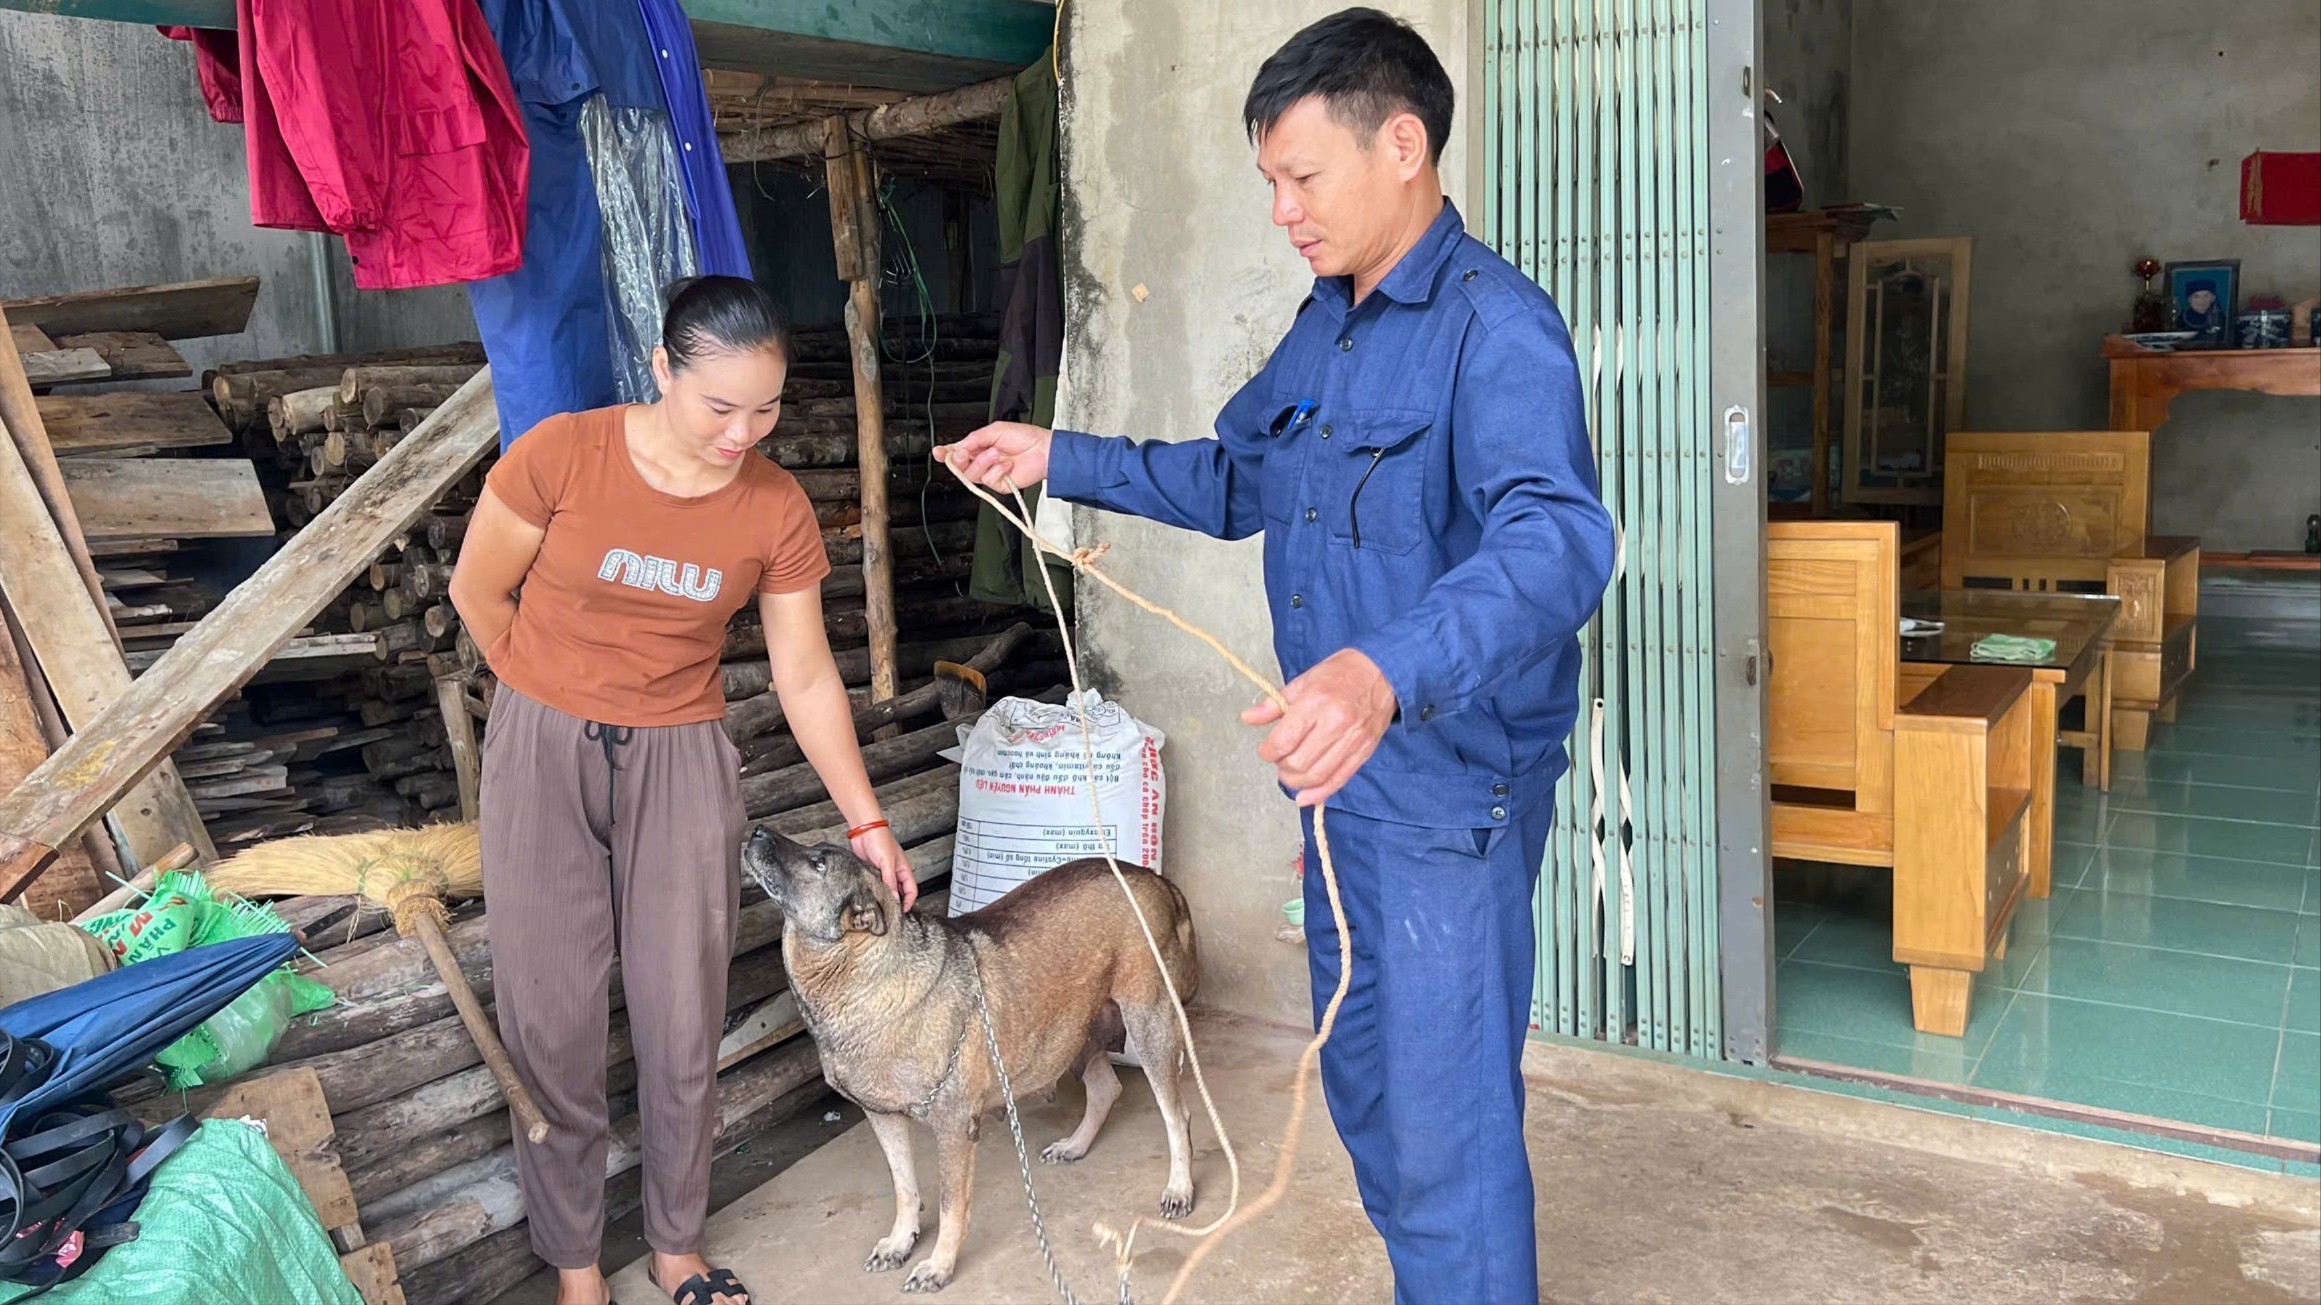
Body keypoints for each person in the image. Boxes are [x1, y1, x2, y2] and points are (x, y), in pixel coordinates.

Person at [938, 9, 1614, 1302]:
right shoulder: (1327, 325)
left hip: (1443, 789)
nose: (1282, 209)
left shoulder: (1496, 328)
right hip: (1337, 786)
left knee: (1444, 1117)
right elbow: (1235, 475)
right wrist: (1056, 455)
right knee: (1360, 1067)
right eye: (1268, 182)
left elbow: (1560, 539)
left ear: (1401, 145)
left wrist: (1382, 671)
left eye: (1300, 177)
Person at [449, 276, 919, 1305]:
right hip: (543, 751)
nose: (741, 431)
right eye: (719, 407)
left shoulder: (775, 507)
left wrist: (867, 820)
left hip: (682, 758)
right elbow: (476, 592)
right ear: (661, 369)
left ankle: (674, 1247)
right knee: (552, 1015)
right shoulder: (561, 455)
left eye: (765, 409)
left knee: (679, 1012)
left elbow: (801, 674)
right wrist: (540, 703)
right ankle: (577, 1269)